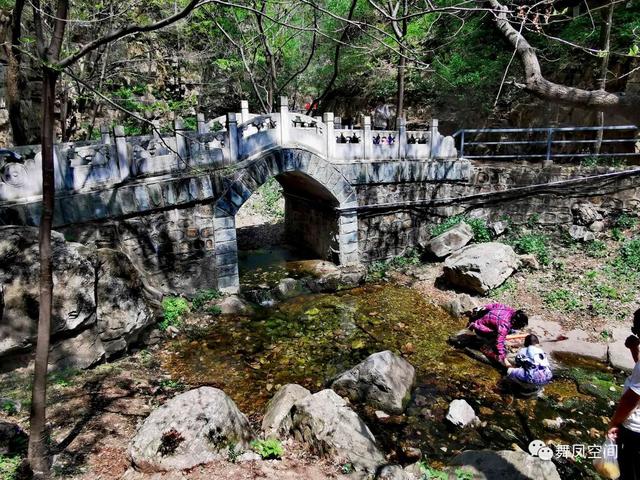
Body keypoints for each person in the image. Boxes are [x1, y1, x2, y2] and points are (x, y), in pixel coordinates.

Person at [608, 309, 640, 479]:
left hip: (635, 431)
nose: (634, 330)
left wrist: (613, 424)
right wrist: (635, 350)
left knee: (628, 472)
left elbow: (631, 400)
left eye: (636, 327)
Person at [467, 303, 529, 367]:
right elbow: (499, 342)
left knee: (508, 331)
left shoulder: (509, 310)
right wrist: (503, 357)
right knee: (498, 336)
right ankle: (484, 345)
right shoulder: (504, 325)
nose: (520, 328)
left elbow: (494, 305)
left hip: (482, 318)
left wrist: (484, 307)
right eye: (519, 326)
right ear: (514, 322)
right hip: (480, 327)